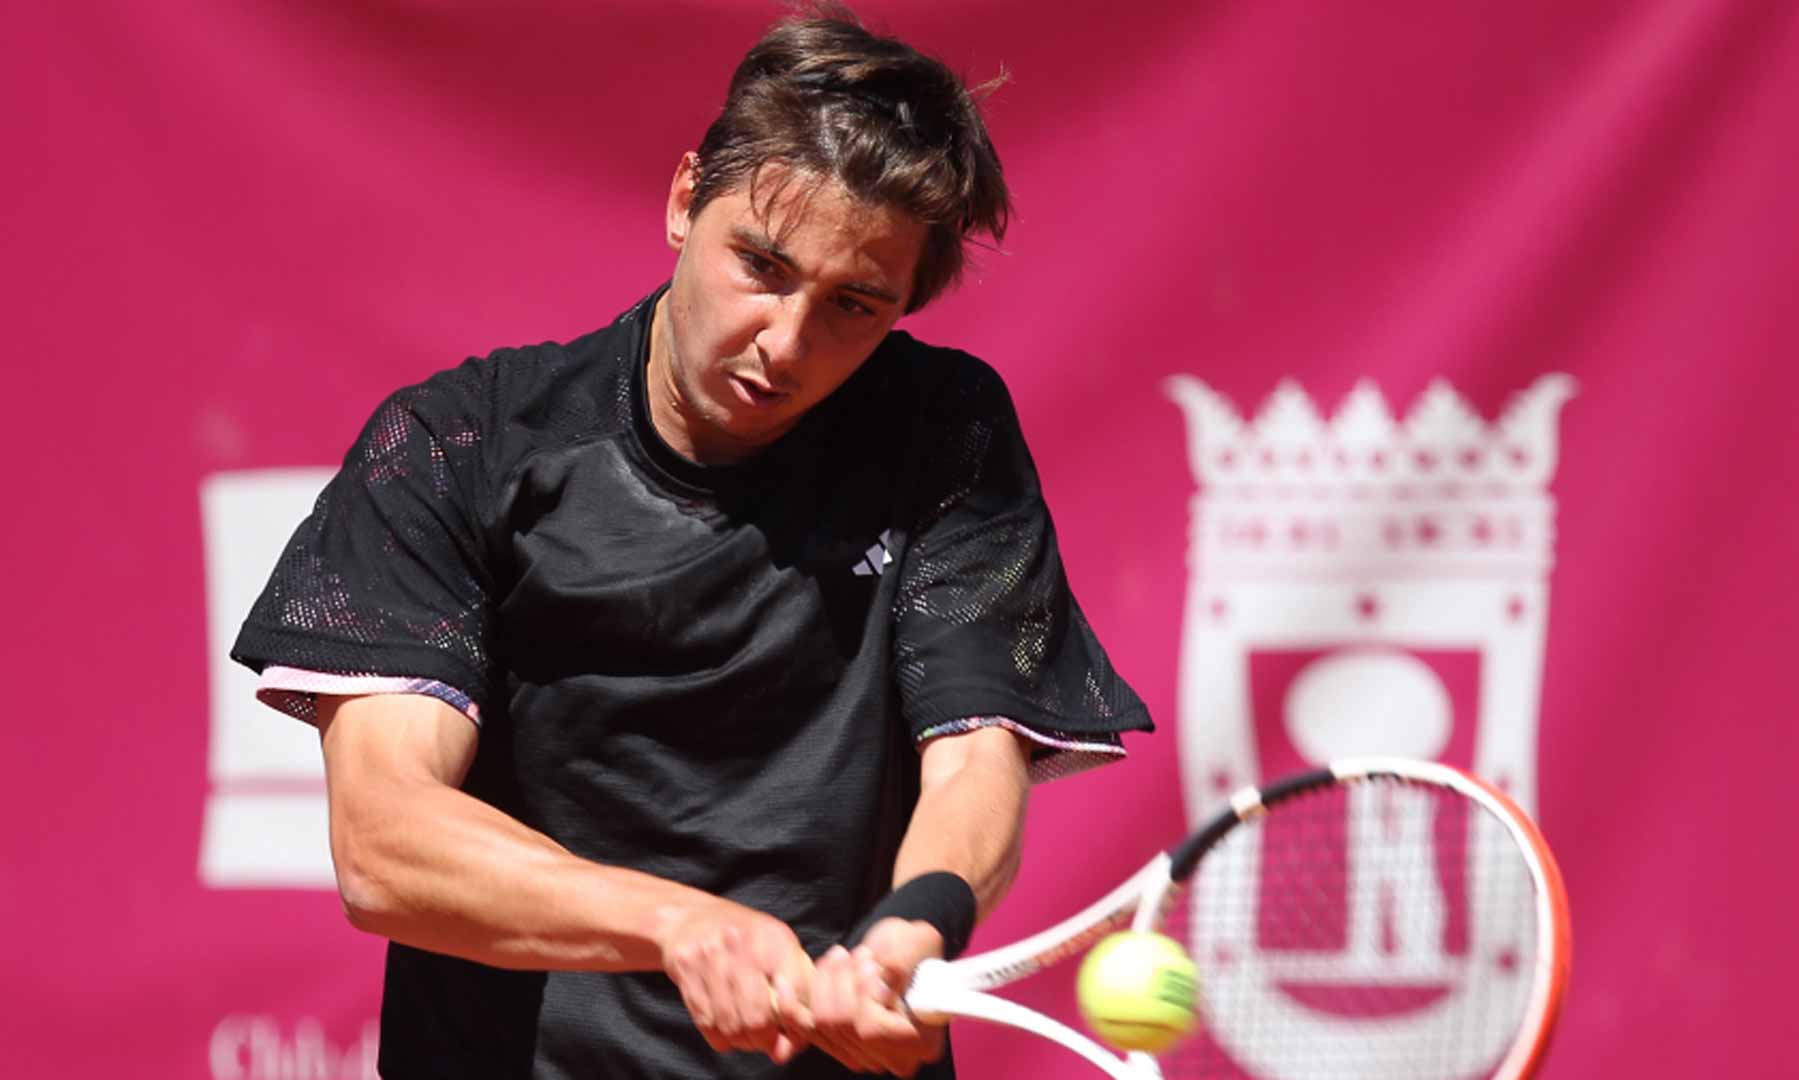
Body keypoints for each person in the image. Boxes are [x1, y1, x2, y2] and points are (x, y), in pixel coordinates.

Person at [231, 6, 1151, 1078]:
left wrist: (916, 925)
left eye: (854, 305)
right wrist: (679, 924)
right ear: (684, 201)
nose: (786, 341)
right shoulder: (457, 444)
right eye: (761, 264)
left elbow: (974, 763)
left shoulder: (946, 433)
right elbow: (385, 843)